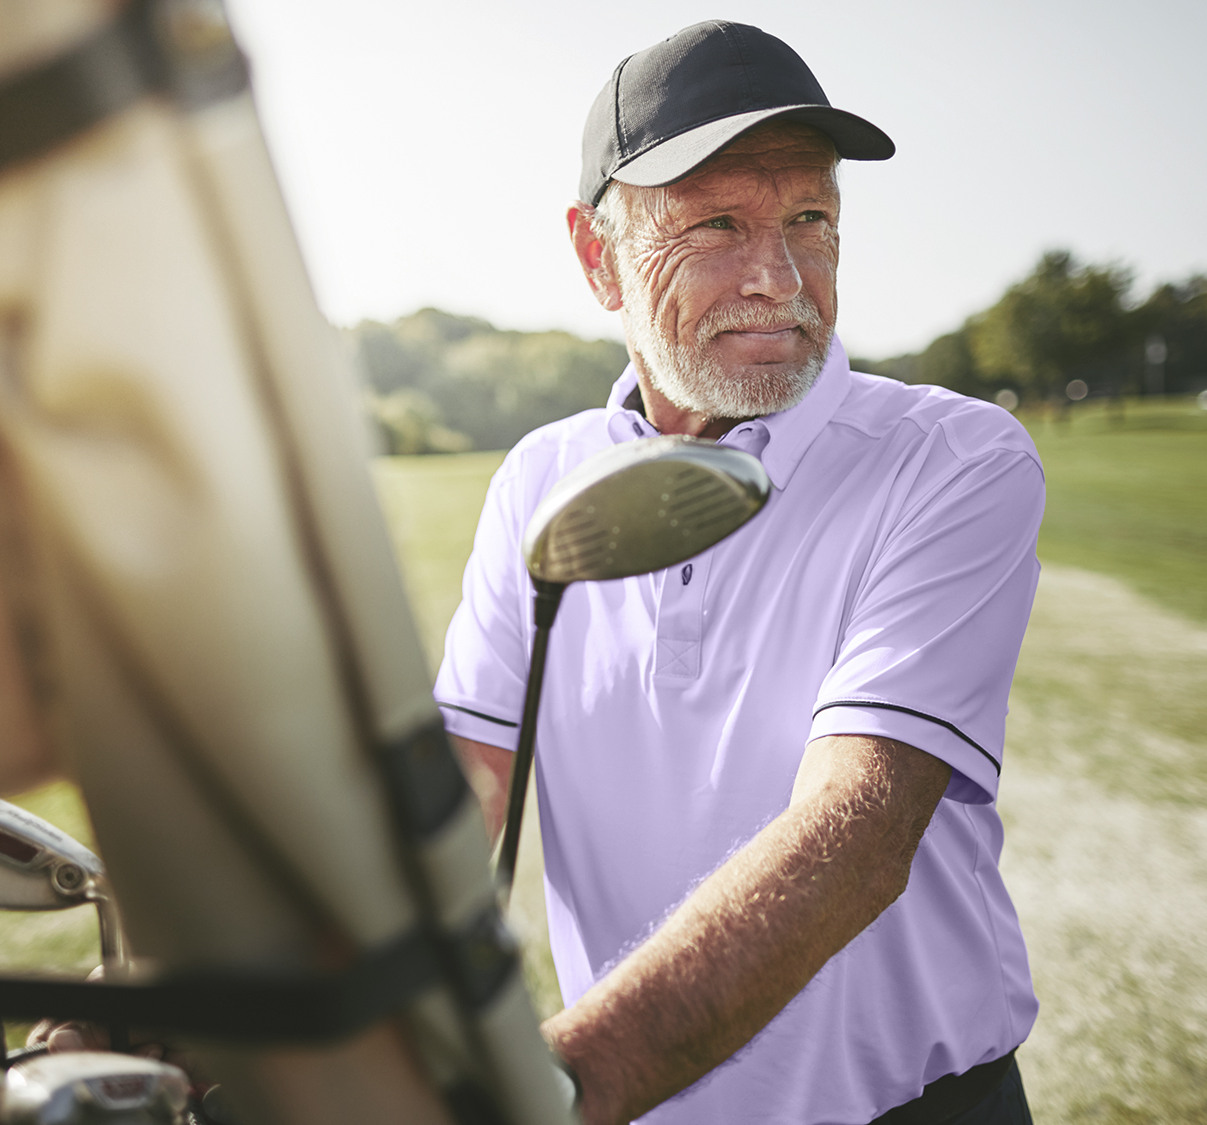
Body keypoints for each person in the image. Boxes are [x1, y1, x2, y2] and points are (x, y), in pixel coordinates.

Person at [436, 21, 1045, 1125]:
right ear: (596, 257)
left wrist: (548, 1091)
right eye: (716, 223)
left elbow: (853, 842)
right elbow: (461, 787)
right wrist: (215, 996)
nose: (778, 278)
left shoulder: (952, 458)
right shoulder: (539, 479)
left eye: (810, 219)